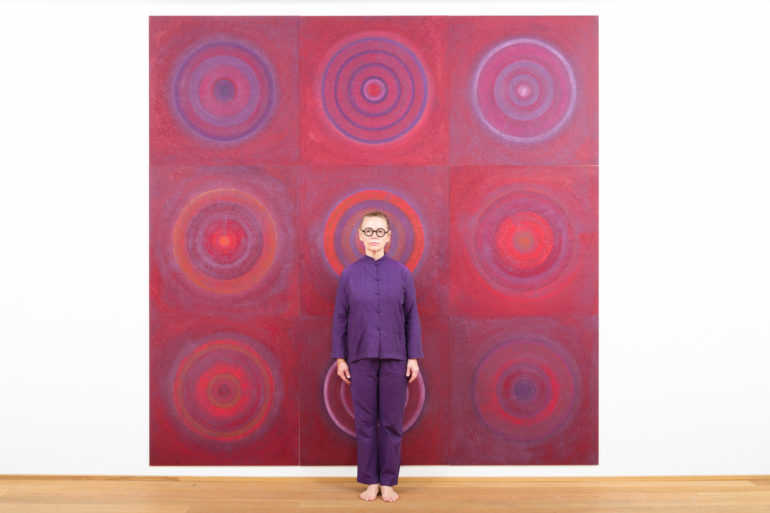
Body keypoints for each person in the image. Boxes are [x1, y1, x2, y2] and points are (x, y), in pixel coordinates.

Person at [331, 210, 423, 503]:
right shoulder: (349, 275)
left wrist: (413, 357)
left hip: (396, 356)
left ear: (388, 237)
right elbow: (340, 318)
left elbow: (412, 316)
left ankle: (389, 481)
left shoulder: (402, 273)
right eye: (368, 231)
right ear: (360, 236)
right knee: (366, 423)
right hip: (360, 357)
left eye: (379, 231)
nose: (374, 236)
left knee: (392, 422)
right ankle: (370, 480)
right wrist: (340, 358)